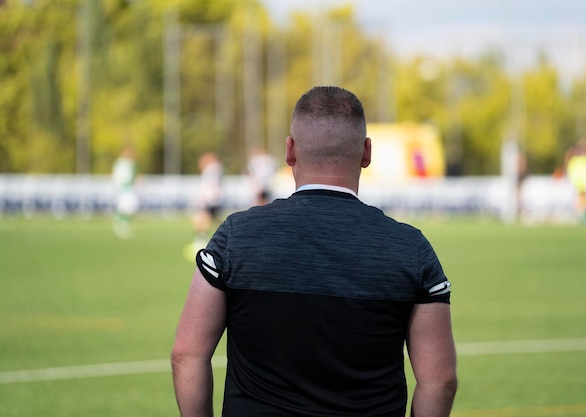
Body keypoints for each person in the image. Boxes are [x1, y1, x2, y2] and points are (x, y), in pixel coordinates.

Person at [172, 86, 458, 417]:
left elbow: (187, 355)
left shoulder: (235, 236)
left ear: (290, 151)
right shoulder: (412, 249)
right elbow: (440, 380)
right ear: (366, 152)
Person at [189, 152, 223, 254]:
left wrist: (202, 198)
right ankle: (218, 240)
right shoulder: (216, 169)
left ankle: (201, 241)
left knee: (202, 220)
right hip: (214, 199)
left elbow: (209, 185)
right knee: (214, 220)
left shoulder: (211, 169)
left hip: (210, 199)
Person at [112, 147, 138, 238]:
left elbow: (134, 174)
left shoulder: (126, 163)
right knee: (124, 208)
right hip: (124, 190)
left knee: (129, 209)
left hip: (128, 189)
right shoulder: (122, 163)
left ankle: (123, 225)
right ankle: (121, 226)